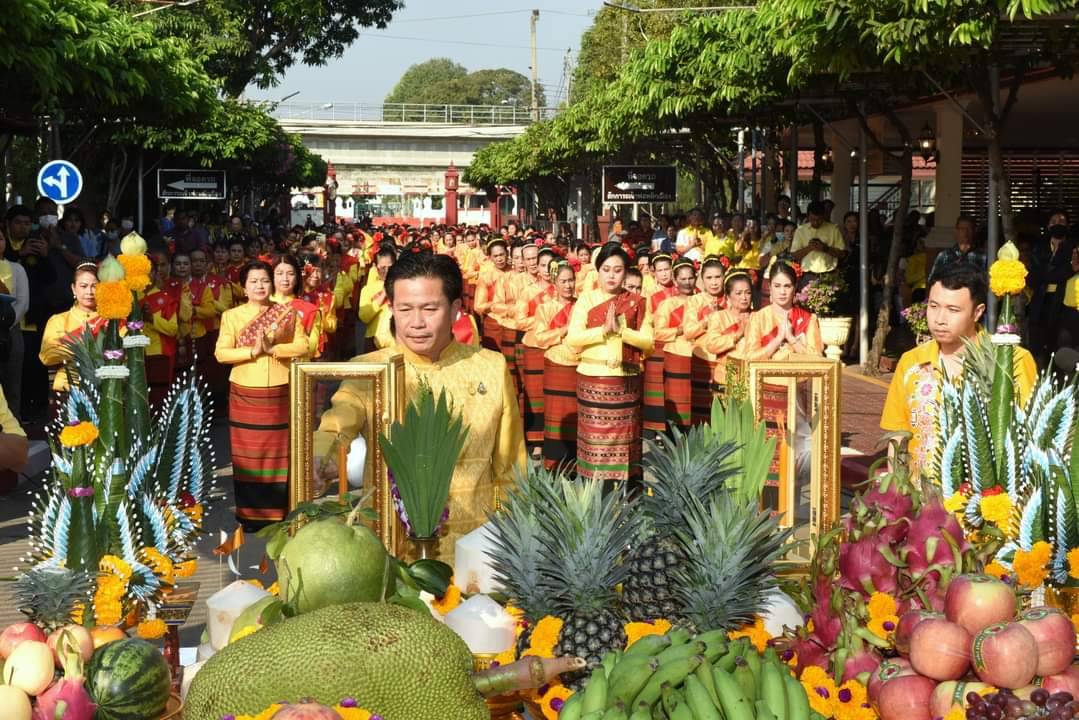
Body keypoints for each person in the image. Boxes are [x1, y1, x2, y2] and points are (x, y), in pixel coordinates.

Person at [314, 251, 526, 561]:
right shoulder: (370, 370)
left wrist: (512, 532)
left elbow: (511, 466)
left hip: (474, 547)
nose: (416, 322)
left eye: (429, 308)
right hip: (391, 545)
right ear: (392, 309)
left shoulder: (490, 368)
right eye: (405, 309)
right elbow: (337, 422)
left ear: (455, 309)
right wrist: (322, 458)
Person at [881, 263, 1037, 479]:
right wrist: (897, 493)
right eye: (933, 306)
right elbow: (898, 436)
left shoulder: (1012, 361)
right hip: (923, 503)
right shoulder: (911, 362)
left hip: (986, 502)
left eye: (953, 310)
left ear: (978, 312)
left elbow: (1030, 437)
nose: (939, 319)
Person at [215, 260, 311, 529]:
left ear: (272, 285)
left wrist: (273, 350)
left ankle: (279, 512)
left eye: (264, 281)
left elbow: (303, 345)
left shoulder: (286, 313)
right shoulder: (231, 316)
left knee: (278, 452)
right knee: (249, 454)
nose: (260, 286)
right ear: (243, 287)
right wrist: (252, 353)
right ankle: (250, 515)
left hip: (279, 390)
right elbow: (221, 353)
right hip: (245, 391)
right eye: (253, 281)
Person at [565, 243, 653, 484]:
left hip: (626, 383)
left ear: (626, 272)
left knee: (627, 445)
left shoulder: (637, 301)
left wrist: (623, 331)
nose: (611, 275)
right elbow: (573, 338)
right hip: (594, 382)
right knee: (595, 448)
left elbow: (649, 341)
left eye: (617, 270)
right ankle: (593, 502)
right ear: (598, 271)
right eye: (606, 269)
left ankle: (628, 501)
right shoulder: (587, 299)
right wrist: (603, 331)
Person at [662, 256, 726, 425]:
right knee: (702, 411)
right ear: (702, 280)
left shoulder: (731, 299)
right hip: (702, 360)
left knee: (726, 410)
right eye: (709, 278)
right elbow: (689, 332)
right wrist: (706, 321)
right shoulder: (695, 301)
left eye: (718, 277)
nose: (714, 282)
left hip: (726, 361)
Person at [39, 263, 101, 412]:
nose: (89, 292)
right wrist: (82, 349)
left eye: (94, 286)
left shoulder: (112, 320)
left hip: (105, 389)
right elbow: (46, 355)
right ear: (73, 288)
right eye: (84, 286)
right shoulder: (58, 320)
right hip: (67, 389)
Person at [534, 261, 579, 470]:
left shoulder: (582, 306)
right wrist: (564, 330)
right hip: (556, 366)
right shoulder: (545, 308)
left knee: (578, 417)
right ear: (555, 282)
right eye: (563, 281)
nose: (568, 285)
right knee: (557, 417)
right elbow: (540, 339)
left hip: (579, 367)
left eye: (571, 280)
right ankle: (554, 465)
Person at [515, 244, 556, 454]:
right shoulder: (527, 292)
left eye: (551, 265)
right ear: (536, 268)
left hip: (557, 347)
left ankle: (553, 437)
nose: (547, 269)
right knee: (535, 393)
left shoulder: (562, 291)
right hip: (534, 345)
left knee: (555, 395)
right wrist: (543, 321)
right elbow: (519, 321)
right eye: (543, 265)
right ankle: (536, 440)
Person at [656, 258, 699, 433]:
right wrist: (681, 330)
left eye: (690, 278)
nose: (687, 283)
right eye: (683, 279)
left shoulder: (703, 301)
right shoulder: (667, 304)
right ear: (675, 280)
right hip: (675, 356)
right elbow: (658, 332)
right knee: (677, 405)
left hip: (698, 356)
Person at [699, 270, 754, 403]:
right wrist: (737, 335)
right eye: (738, 293)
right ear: (728, 297)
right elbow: (712, 345)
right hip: (725, 378)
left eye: (748, 293)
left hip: (751, 378)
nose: (744, 297)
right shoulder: (719, 317)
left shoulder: (758, 317)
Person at [1029, 212, 1076, 366]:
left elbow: (1049, 275)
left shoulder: (1073, 249)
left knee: (1061, 347)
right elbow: (1033, 278)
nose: (1058, 224)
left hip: (1063, 305)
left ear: (1068, 226)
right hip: (1040, 305)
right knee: (1038, 352)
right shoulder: (1038, 248)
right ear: (1048, 226)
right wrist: (1067, 270)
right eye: (1054, 221)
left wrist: (1049, 273)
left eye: (1062, 221)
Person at [641, 253, 676, 438]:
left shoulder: (681, 291)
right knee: (654, 387)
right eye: (660, 270)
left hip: (676, 344)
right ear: (654, 273)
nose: (664, 274)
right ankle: (653, 429)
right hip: (656, 344)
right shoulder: (649, 294)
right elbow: (646, 319)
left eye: (667, 269)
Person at [0, 227, 29, 421]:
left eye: (0, 238)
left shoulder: (16, 268)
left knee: (11, 385)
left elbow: (23, 302)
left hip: (10, 332)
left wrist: (5, 323)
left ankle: (13, 432)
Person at [790, 200, 847, 279]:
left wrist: (825, 248)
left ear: (824, 216)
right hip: (807, 275)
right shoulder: (800, 230)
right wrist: (809, 248)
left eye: (819, 219)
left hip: (829, 275)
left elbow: (842, 254)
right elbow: (794, 255)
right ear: (808, 216)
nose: (816, 222)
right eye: (813, 219)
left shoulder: (833, 229)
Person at [473, 239, 509, 352]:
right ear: (490, 258)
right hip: (494, 324)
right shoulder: (486, 277)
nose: (499, 259)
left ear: (507, 253)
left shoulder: (516, 272)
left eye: (502, 254)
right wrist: (496, 303)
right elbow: (478, 306)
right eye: (496, 256)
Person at [358, 244, 396, 352]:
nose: (387, 271)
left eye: (390, 267)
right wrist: (384, 294)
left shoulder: (401, 286)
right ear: (375, 266)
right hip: (373, 339)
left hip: (396, 340)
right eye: (383, 268)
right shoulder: (368, 289)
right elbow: (364, 316)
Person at [928, 214, 985, 282]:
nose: (965, 232)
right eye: (962, 229)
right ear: (956, 231)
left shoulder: (982, 257)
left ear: (974, 231)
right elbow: (932, 281)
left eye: (968, 229)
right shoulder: (944, 255)